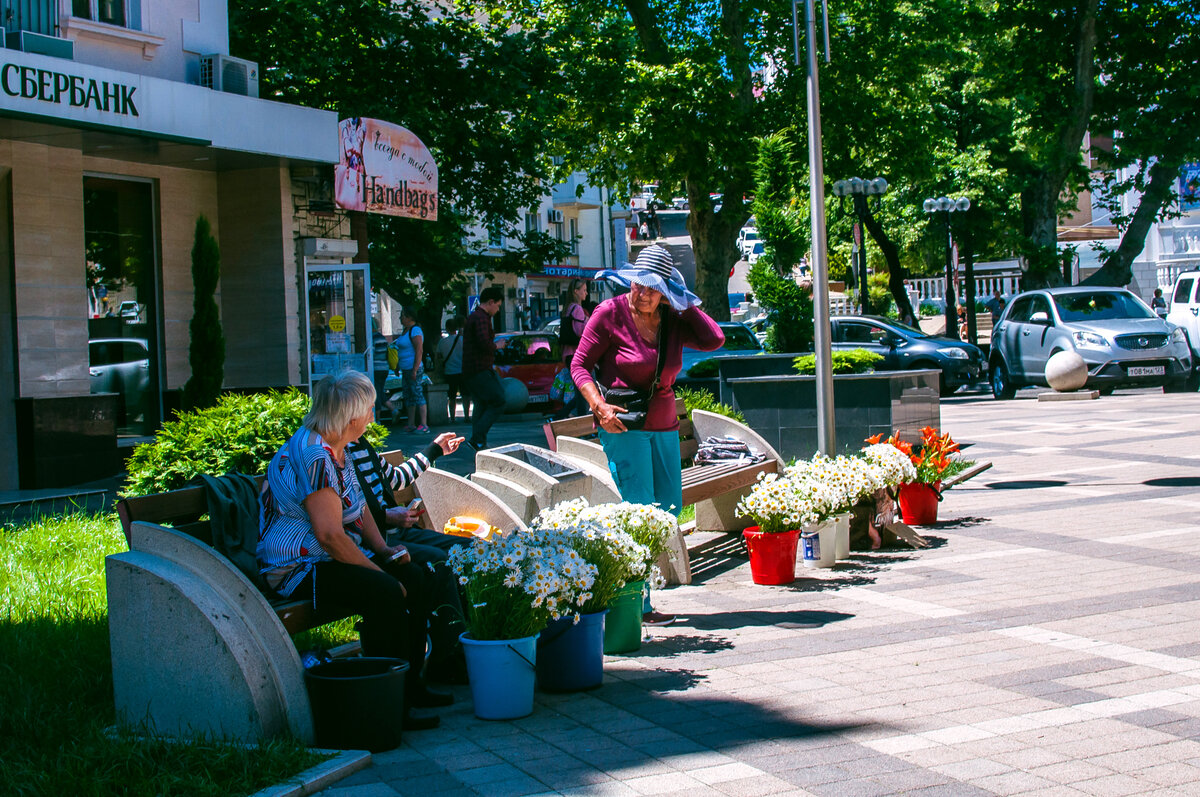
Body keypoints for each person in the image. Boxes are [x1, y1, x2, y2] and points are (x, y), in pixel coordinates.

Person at [256, 371, 451, 729]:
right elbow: (329, 535)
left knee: (415, 578)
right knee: (387, 592)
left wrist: (384, 550)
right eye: (370, 410)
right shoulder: (315, 456)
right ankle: (389, 702)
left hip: (328, 556)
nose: (373, 417)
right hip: (299, 566)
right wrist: (380, 572)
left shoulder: (338, 447)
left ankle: (410, 686)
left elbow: (358, 508)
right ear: (351, 417)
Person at [571, 244, 724, 625]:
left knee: (668, 510)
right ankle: (637, 604)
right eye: (637, 285)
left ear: (665, 293)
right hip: (622, 425)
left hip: (664, 425)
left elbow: (714, 339)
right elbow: (579, 365)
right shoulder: (609, 313)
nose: (641, 294)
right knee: (639, 513)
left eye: (652, 289)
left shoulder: (673, 318)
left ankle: (638, 590)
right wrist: (598, 406)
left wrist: (684, 302)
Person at [347, 430, 469, 683]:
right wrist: (386, 516)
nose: (372, 414)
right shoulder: (338, 452)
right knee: (439, 562)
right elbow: (350, 510)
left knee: (467, 551)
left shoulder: (362, 444)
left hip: (398, 533)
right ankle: (446, 659)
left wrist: (435, 449)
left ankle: (467, 644)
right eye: (368, 407)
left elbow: (396, 478)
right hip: (378, 540)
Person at [462, 286, 506, 451]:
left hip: (472, 369)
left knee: (481, 403)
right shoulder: (481, 318)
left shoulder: (476, 317)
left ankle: (478, 441)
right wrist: (497, 346)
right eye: (498, 305)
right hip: (479, 368)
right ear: (491, 302)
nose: (498, 309)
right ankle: (477, 437)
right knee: (498, 400)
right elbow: (483, 343)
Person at [388, 307, 429, 433]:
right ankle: (411, 423)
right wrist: (398, 367)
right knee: (408, 395)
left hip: (413, 368)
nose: (401, 318)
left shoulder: (415, 330)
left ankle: (424, 424)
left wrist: (415, 369)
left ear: (409, 317)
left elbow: (419, 350)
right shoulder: (405, 331)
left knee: (417, 394)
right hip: (405, 368)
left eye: (403, 316)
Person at [558, 279, 592, 418]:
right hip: (577, 354)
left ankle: (562, 416)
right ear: (576, 292)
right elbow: (581, 332)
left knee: (581, 391)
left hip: (568, 354)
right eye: (583, 290)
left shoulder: (567, 308)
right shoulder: (577, 309)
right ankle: (580, 422)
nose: (586, 293)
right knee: (586, 390)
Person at [435, 316, 469, 422]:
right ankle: (467, 416)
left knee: (451, 396)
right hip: (463, 370)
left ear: (447, 328)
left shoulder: (442, 342)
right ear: (456, 328)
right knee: (465, 395)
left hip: (449, 372)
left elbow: (439, 358)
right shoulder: (463, 340)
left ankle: (453, 417)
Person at [371, 323, 391, 420]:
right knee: (380, 391)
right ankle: (394, 410)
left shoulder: (372, 338)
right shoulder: (382, 338)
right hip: (384, 368)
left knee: (376, 393)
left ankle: (377, 419)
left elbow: (371, 354)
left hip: (376, 368)